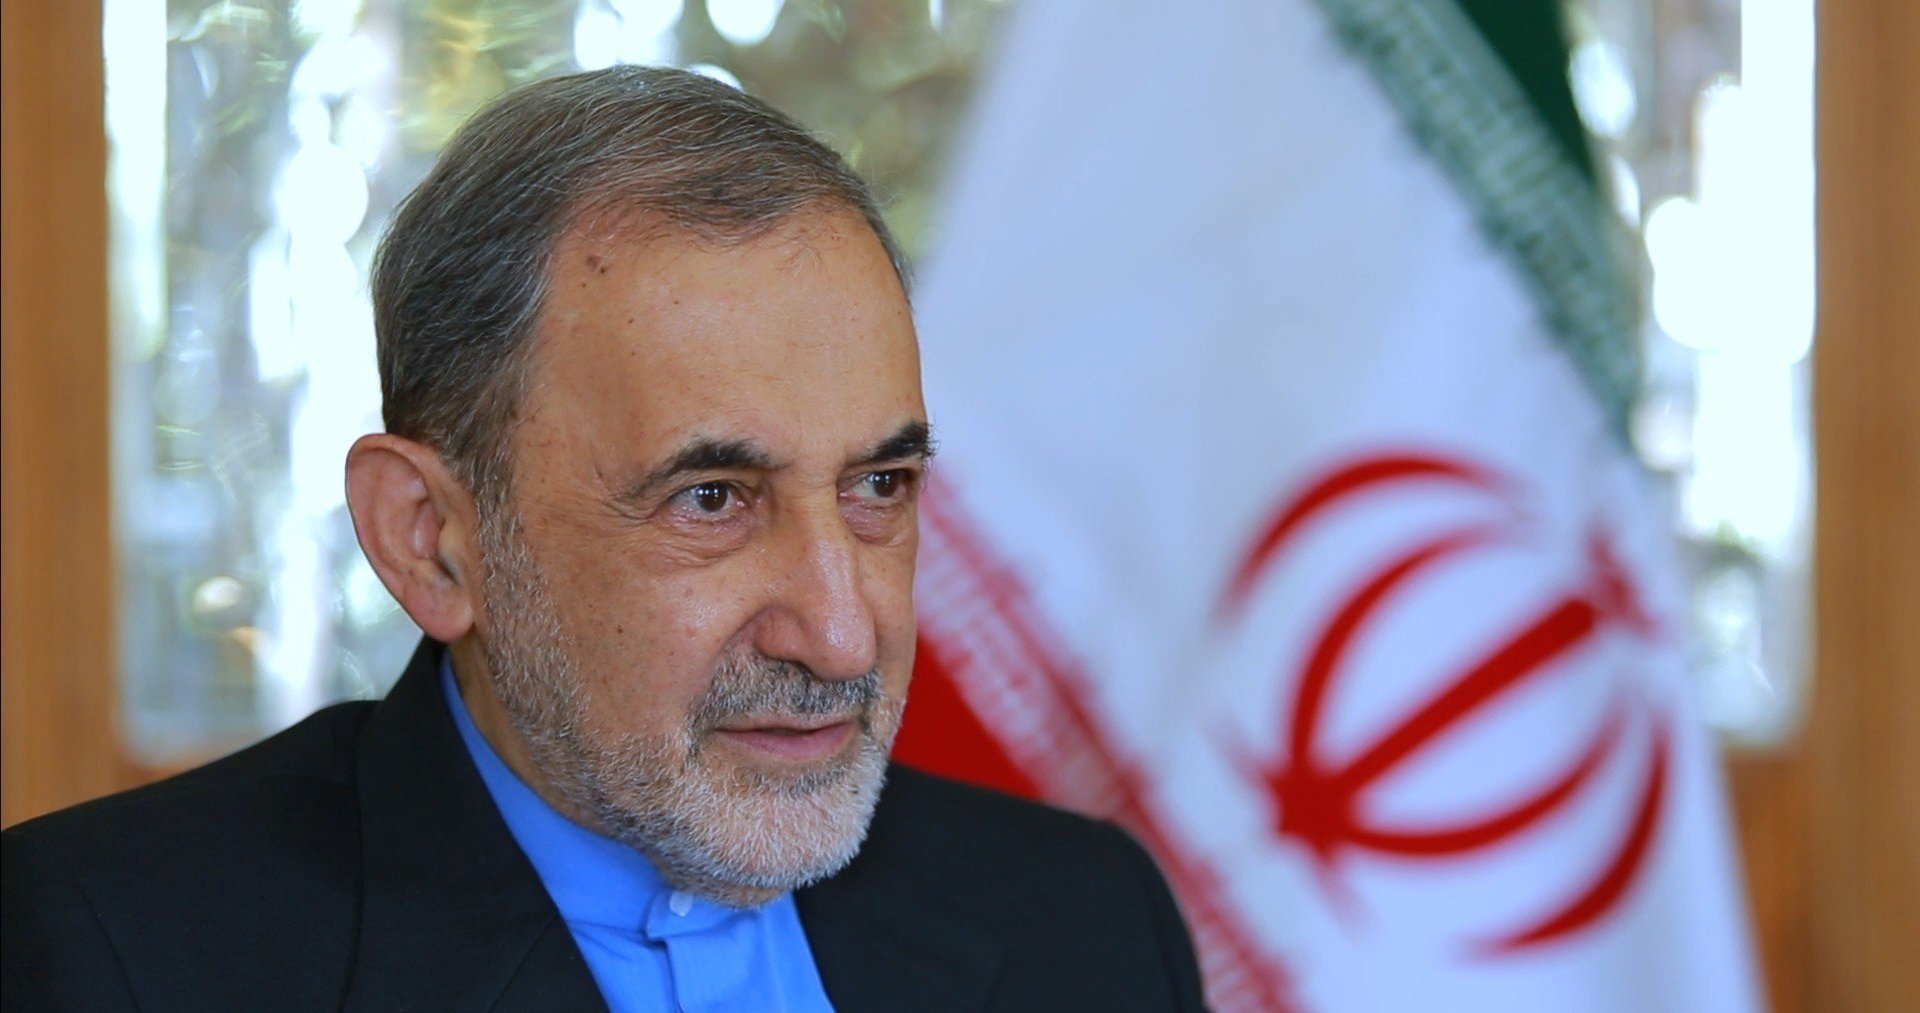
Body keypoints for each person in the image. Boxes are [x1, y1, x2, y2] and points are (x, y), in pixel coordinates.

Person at [1, 67, 1207, 1012]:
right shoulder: (108, 954)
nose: (843, 633)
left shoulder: (1085, 918)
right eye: (712, 498)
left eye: (878, 484)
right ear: (432, 540)